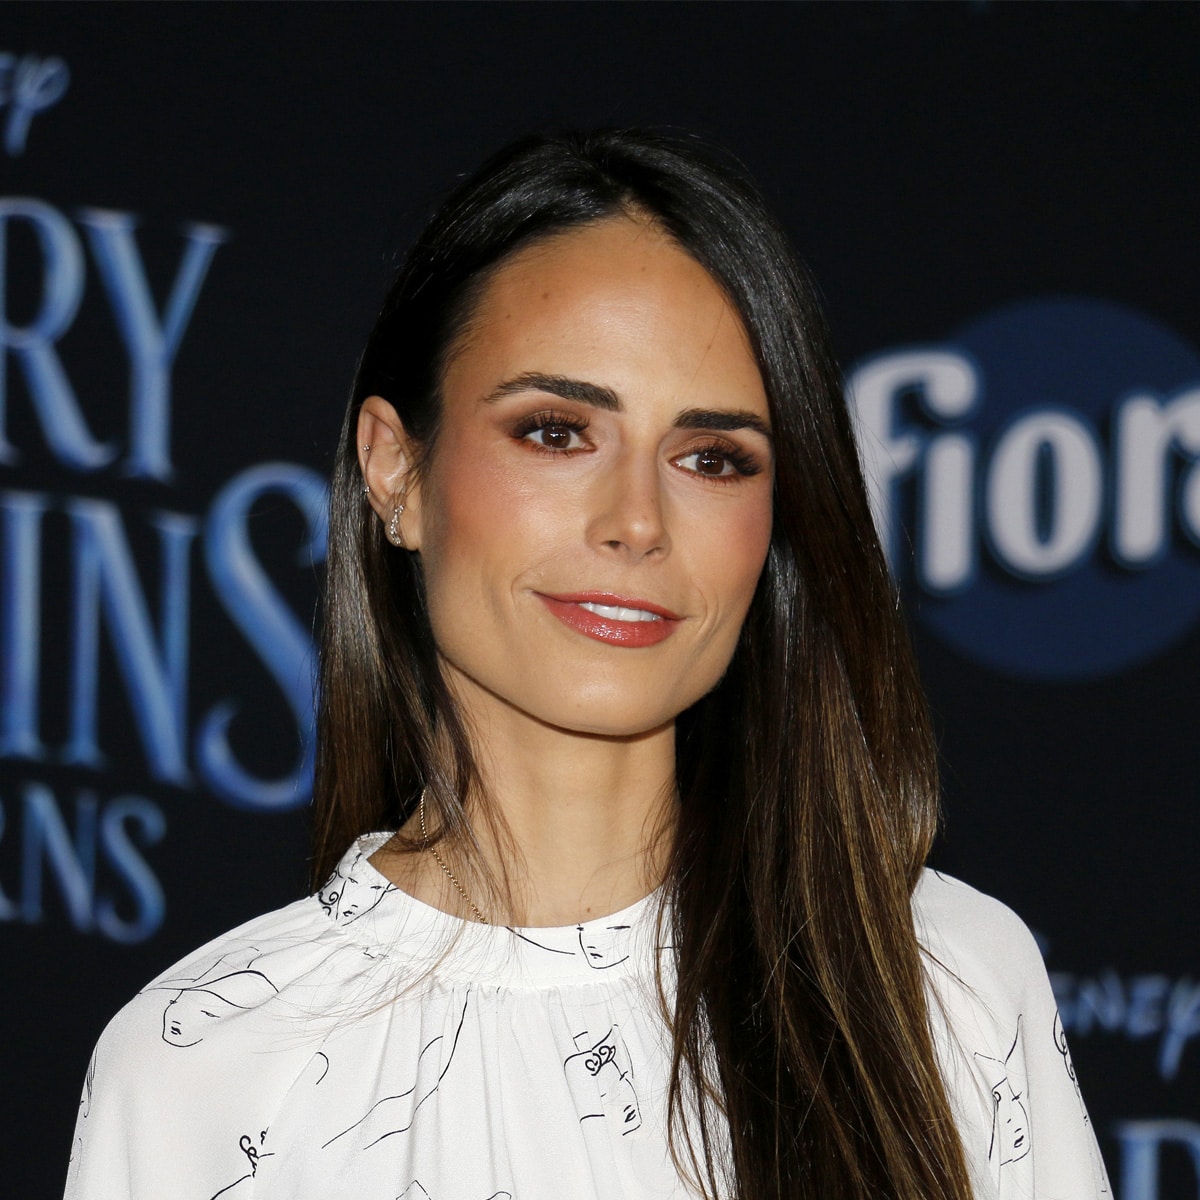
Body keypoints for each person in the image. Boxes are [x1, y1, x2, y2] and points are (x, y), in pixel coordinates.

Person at [64, 130, 1110, 1200]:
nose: (637, 522)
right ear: (397, 470)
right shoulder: (205, 1069)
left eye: (711, 459)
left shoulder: (942, 979)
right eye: (558, 433)